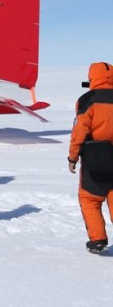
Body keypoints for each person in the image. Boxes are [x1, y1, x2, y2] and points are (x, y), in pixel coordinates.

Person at [67, 62, 113, 254]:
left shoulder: (88, 99)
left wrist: (72, 157)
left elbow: (80, 130)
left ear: (92, 77)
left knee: (90, 199)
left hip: (95, 158)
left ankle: (98, 240)